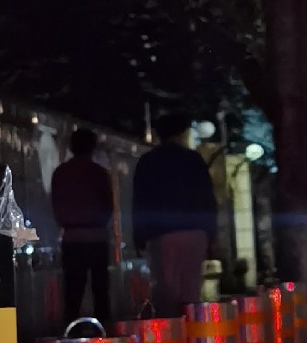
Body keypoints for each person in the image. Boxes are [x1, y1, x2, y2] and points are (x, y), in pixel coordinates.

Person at [132, 119, 219, 316]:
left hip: (162, 234)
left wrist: (139, 236)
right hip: (195, 232)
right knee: (191, 288)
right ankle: (191, 328)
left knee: (165, 290)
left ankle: (172, 329)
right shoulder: (193, 160)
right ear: (182, 134)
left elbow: (141, 201)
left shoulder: (148, 161)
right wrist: (211, 233)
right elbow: (208, 198)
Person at [49, 127, 116, 325]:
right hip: (97, 237)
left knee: (73, 293)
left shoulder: (61, 173)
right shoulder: (99, 173)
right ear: (92, 147)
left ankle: (71, 330)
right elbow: (108, 205)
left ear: (71, 146)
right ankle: (104, 330)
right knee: (100, 292)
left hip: (72, 238)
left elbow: (57, 205)